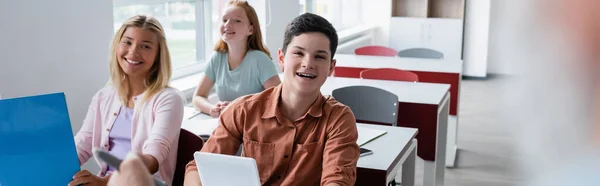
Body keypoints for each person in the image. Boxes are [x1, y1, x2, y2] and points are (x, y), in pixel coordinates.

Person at [184, 13, 360, 186]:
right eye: (298, 53)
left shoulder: (338, 119)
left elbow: (337, 180)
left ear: (331, 67)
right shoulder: (243, 111)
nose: (308, 63)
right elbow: (199, 167)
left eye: (319, 56)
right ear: (281, 58)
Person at [69, 15, 184, 186]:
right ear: (117, 45)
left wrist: (108, 181)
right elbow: (82, 145)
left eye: (145, 46)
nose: (133, 52)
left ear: (158, 55)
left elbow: (153, 158)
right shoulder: (103, 97)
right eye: (128, 42)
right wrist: (54, 168)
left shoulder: (168, 99)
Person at [192, 0, 281, 118]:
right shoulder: (217, 57)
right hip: (228, 125)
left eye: (237, 20)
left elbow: (279, 102)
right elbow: (198, 97)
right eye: (224, 20)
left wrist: (238, 108)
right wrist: (212, 109)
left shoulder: (260, 60)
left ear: (251, 29)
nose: (227, 24)